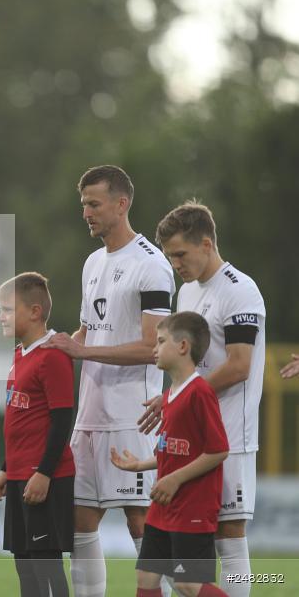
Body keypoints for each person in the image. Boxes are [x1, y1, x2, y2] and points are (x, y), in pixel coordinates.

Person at [42, 165, 175, 597]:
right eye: (83, 204)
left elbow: (154, 347)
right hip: (90, 416)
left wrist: (82, 351)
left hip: (133, 417)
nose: (86, 212)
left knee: (142, 520)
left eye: (94, 204)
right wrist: (48, 349)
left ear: (122, 204)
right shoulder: (92, 262)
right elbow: (87, 331)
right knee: (81, 520)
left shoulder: (151, 265)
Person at [153, 202, 265, 596]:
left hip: (230, 435)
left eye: (180, 254)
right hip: (190, 437)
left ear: (206, 242)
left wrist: (180, 399)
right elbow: (185, 366)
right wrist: (169, 398)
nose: (176, 263)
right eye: (169, 256)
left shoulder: (239, 289)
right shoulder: (186, 292)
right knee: (172, 548)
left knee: (228, 534)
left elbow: (238, 366)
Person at [112, 312, 230, 597]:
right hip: (164, 507)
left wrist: (174, 479)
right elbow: (176, 450)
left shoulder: (199, 392)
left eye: (161, 340)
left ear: (183, 346)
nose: (154, 348)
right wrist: (141, 464)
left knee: (187, 584)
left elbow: (218, 450)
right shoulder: (169, 395)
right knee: (147, 575)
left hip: (192, 506)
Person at [0, 273, 74, 596]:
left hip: (44, 478)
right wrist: (6, 467)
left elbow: (61, 419)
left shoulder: (52, 356)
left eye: (8, 309)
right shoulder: (18, 356)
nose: (1, 317)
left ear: (35, 312)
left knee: (47, 567)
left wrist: (44, 473)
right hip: (19, 477)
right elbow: (19, 421)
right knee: (25, 569)